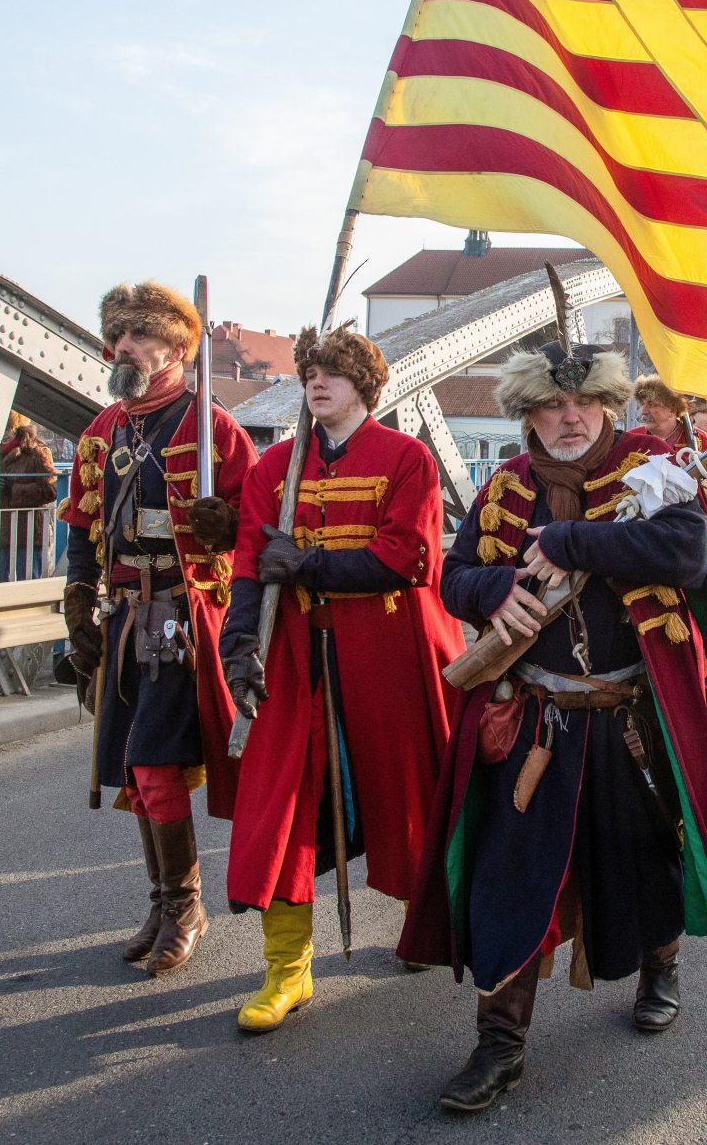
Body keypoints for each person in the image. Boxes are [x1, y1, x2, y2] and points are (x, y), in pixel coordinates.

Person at [399, 336, 707, 1114]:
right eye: (551, 405)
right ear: (528, 413)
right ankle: (499, 1040)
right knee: (508, 879)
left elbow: (683, 550)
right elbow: (455, 573)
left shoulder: (651, 461)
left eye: (584, 403)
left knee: (646, 860)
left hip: (631, 715)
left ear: (607, 405)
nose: (570, 418)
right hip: (535, 717)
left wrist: (574, 541)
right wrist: (495, 590)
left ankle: (660, 968)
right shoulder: (507, 482)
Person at [219, 324, 464, 1033]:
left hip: (387, 651)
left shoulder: (406, 458)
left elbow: (406, 557)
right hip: (296, 655)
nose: (317, 382)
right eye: (310, 372)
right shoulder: (274, 468)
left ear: (365, 385)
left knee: (409, 792)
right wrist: (240, 644)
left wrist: (310, 564)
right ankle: (287, 968)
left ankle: (427, 926)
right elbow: (248, 562)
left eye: (333, 372)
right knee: (281, 807)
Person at [58, 282, 259, 977]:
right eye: (119, 336)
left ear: (176, 349)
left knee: (152, 760)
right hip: (124, 615)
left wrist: (224, 525)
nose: (126, 348)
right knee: (140, 776)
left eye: (141, 337)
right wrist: (78, 600)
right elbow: (84, 525)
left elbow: (255, 522)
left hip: (182, 612)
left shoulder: (212, 427)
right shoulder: (103, 429)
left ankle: (186, 904)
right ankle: (164, 902)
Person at [0, 412, 59, 582]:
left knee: (29, 582)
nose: (3, 433)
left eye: (8, 428)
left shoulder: (37, 452)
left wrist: (15, 489)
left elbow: (50, 490)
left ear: (18, 428)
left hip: (28, 532)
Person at [633, 375, 707, 453]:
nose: (644, 411)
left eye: (652, 404)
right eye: (643, 404)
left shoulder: (706, 443)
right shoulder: (631, 438)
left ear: (672, 411)